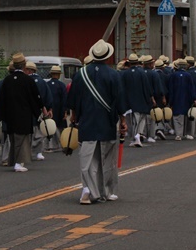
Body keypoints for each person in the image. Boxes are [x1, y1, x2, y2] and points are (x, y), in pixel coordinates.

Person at [68, 39, 128, 204]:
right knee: (107, 159)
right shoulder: (113, 75)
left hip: (86, 122)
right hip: (107, 121)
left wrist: (74, 115)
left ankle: (88, 190)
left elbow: (72, 99)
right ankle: (107, 192)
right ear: (108, 56)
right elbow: (120, 101)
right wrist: (123, 120)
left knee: (87, 160)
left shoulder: (80, 74)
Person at [0, 52, 43, 172]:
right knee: (22, 139)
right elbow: (35, 98)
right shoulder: (27, 80)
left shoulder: (7, 80)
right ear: (24, 65)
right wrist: (38, 111)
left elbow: (2, 99)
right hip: (24, 114)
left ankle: (13, 160)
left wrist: (2, 115)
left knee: (13, 138)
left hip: (10, 114)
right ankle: (18, 162)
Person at [119, 53, 153, 147]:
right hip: (142, 99)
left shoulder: (125, 73)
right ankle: (138, 134)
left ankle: (136, 137)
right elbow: (147, 87)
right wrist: (150, 98)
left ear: (129, 63)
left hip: (130, 101)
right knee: (141, 119)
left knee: (134, 120)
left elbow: (122, 88)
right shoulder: (142, 72)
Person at [26, 60, 53, 160]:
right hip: (40, 111)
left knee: (27, 134)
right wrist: (49, 108)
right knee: (39, 132)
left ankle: (27, 153)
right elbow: (48, 96)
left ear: (28, 71)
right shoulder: (41, 81)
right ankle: (38, 152)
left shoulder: (25, 81)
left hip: (27, 111)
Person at [167, 58, 196, 140]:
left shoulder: (173, 75)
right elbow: (192, 88)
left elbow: (170, 89)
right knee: (188, 116)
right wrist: (194, 98)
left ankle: (178, 134)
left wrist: (170, 101)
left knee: (177, 117)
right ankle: (188, 133)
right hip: (187, 99)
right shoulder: (188, 75)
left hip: (176, 98)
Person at [45, 65, 68, 152]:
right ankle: (61, 144)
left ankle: (50, 145)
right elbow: (64, 99)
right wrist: (65, 111)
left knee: (50, 128)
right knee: (60, 128)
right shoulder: (61, 85)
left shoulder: (47, 84)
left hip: (49, 109)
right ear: (58, 75)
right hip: (60, 109)